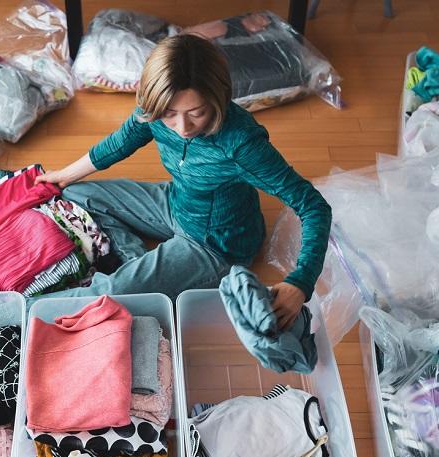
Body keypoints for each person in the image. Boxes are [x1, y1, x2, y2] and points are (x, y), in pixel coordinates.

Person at [36, 33, 331, 329]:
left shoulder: (241, 143)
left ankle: (16, 309)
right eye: (170, 114)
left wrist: (301, 282)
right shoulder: (154, 112)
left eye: (196, 113)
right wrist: (62, 175)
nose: (182, 127)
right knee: (75, 194)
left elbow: (313, 206)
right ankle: (137, 265)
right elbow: (121, 141)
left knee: (108, 294)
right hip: (176, 201)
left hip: (215, 244)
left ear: (217, 99)